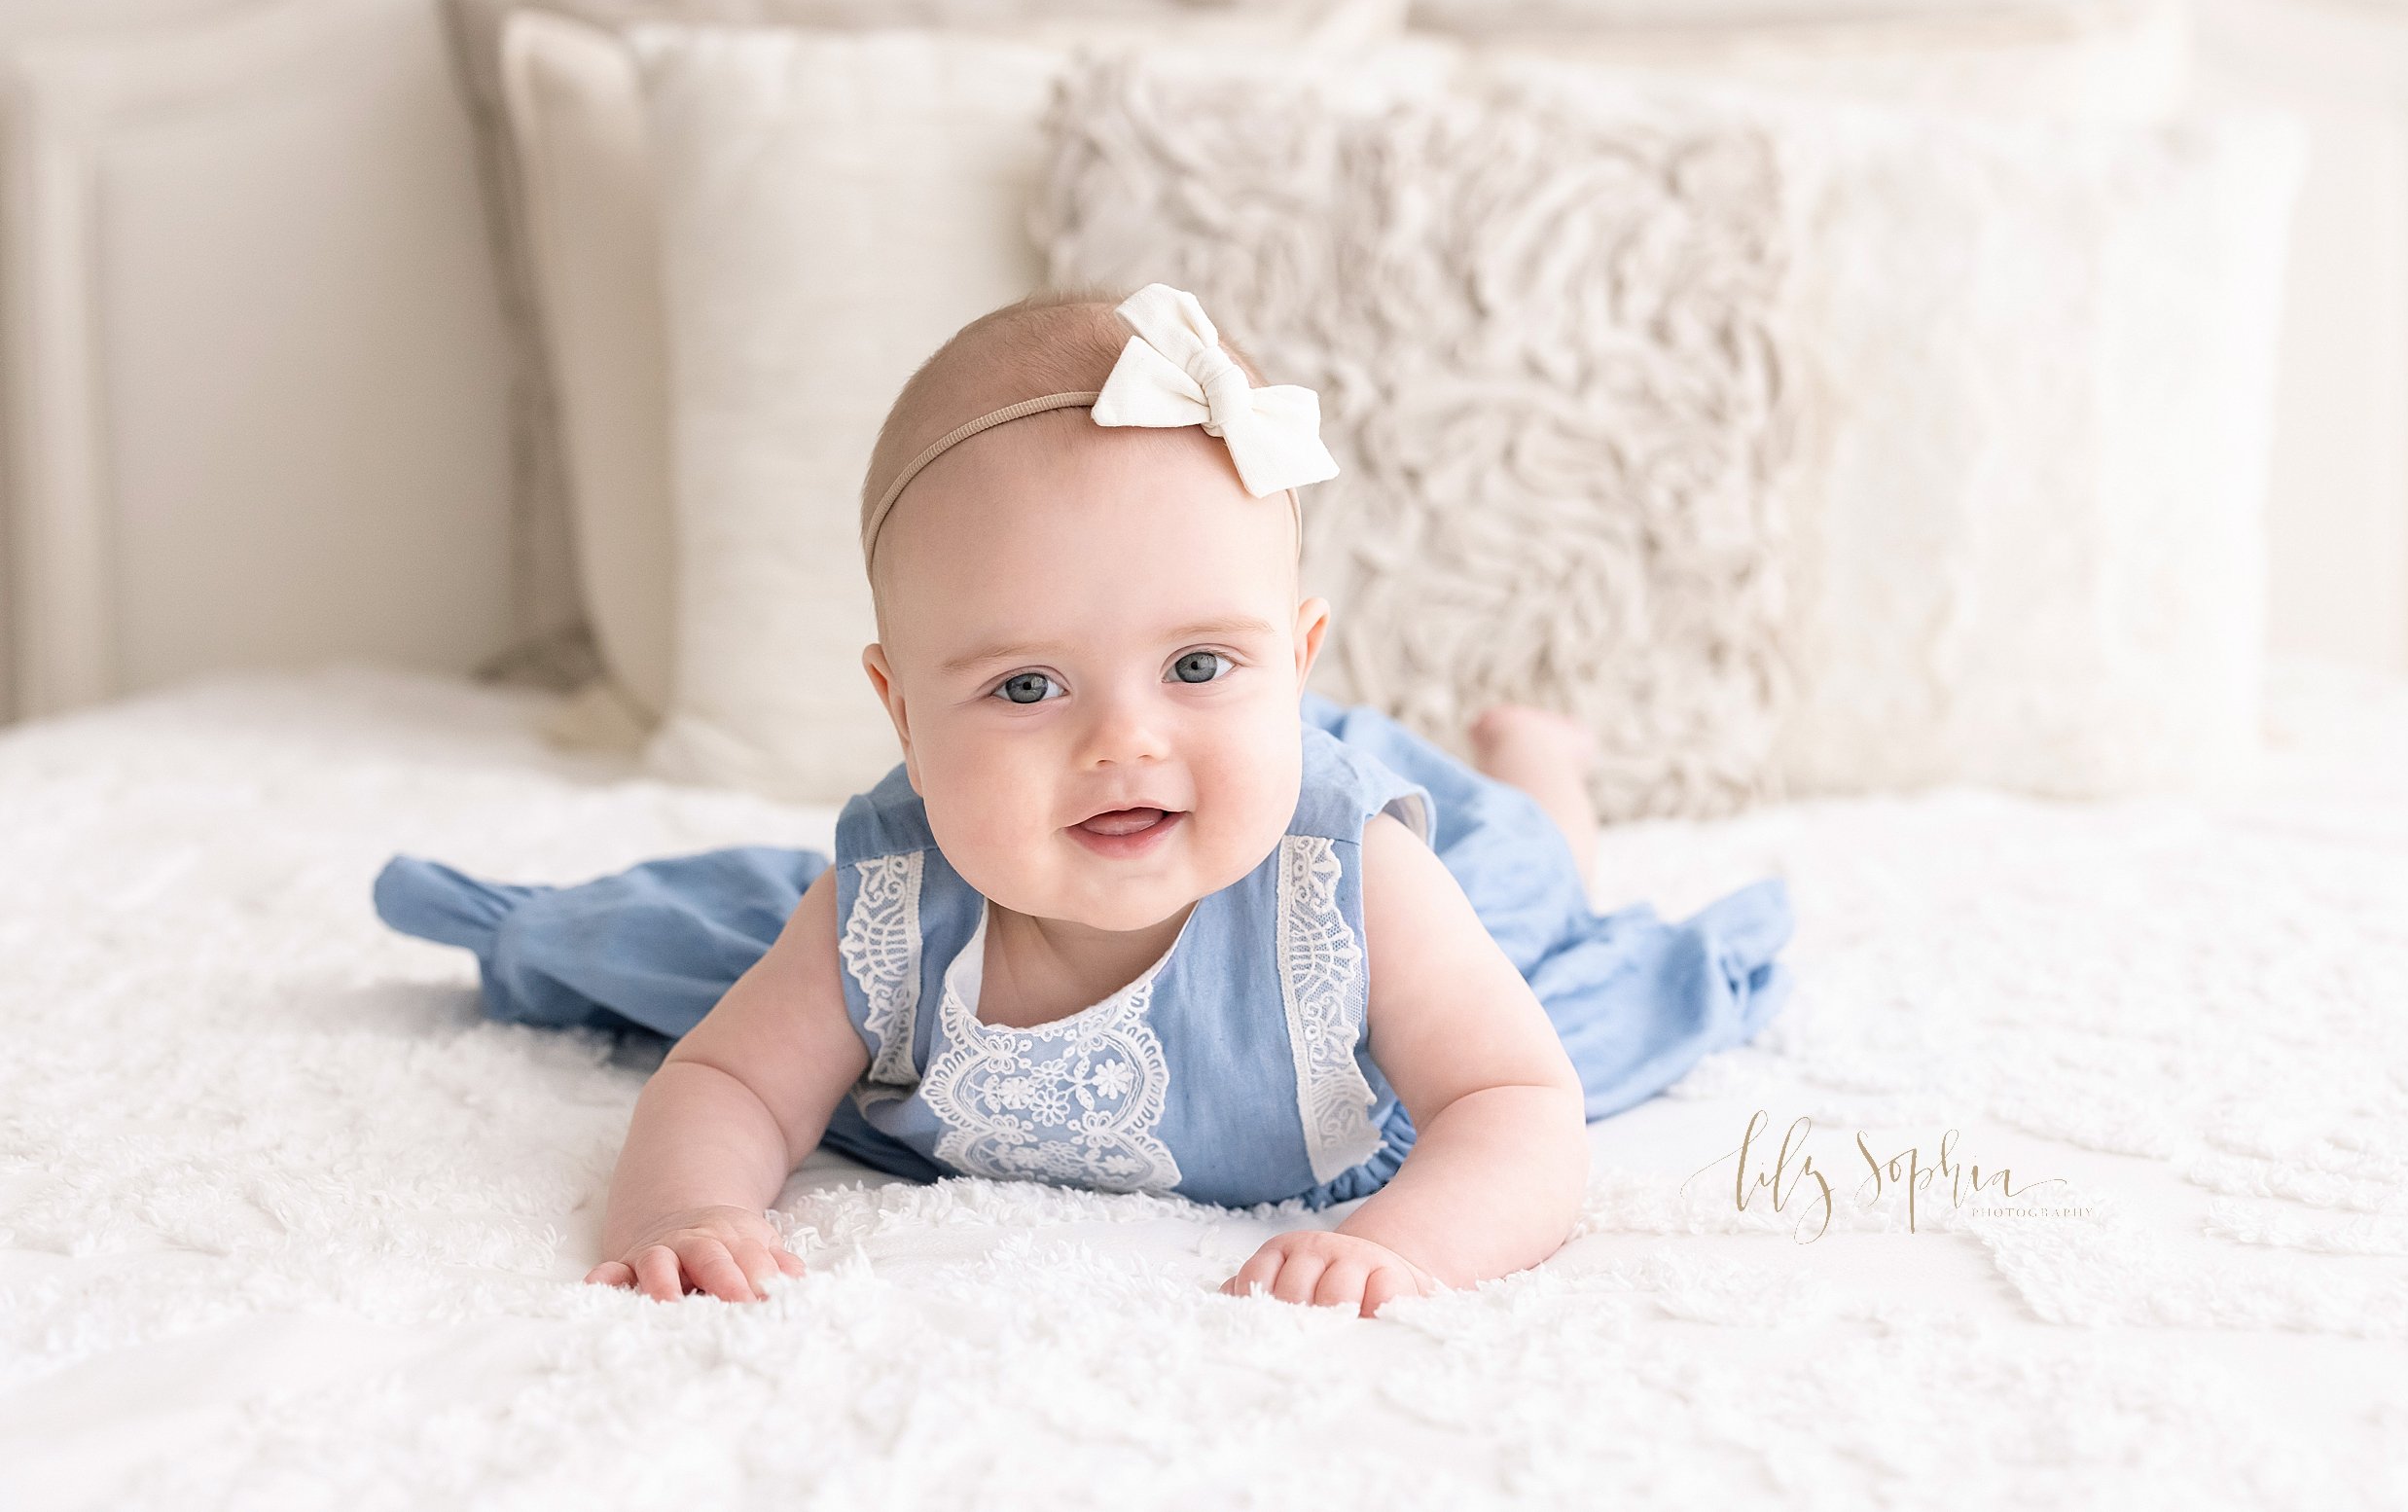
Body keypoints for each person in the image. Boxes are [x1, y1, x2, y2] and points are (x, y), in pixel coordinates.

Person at [377, 283, 1793, 1318]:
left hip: (1405, 873)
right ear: (902, 716)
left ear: (1292, 663)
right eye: (1027, 690)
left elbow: (1515, 1099)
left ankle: (1540, 763)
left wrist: (1402, 1244)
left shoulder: (1350, 885)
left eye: (1196, 664)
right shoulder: (888, 906)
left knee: (1542, 891)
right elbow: (731, 1077)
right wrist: (689, 1209)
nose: (1125, 742)